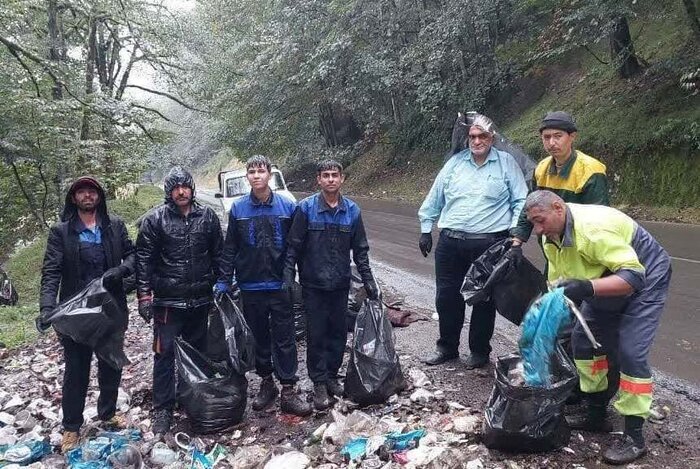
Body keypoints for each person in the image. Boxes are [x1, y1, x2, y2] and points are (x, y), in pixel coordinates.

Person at [524, 190, 671, 465]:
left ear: (558, 208)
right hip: (603, 276)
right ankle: (595, 414)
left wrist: (587, 287)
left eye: (540, 220)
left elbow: (633, 278)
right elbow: (560, 280)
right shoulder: (549, 236)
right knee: (583, 342)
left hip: (645, 277)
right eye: (532, 222)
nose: (537, 229)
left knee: (631, 352)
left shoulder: (591, 231)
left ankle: (634, 436)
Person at [418, 114, 528, 368]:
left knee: (483, 299)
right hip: (450, 242)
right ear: (467, 138)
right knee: (446, 297)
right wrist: (426, 229)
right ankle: (447, 347)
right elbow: (435, 196)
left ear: (492, 138)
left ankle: (479, 352)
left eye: (482, 136)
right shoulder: (455, 164)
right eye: (473, 137)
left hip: (489, 243)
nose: (477, 141)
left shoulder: (505, 164)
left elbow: (521, 200)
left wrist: (515, 235)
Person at [40, 176, 135, 453]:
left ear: (99, 196)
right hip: (75, 314)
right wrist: (47, 307)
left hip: (110, 309)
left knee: (111, 364)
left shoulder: (114, 226)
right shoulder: (62, 232)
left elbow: (132, 255)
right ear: (73, 198)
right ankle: (71, 427)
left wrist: (121, 271)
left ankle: (107, 413)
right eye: (81, 192)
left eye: (91, 191)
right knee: (76, 371)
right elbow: (51, 272)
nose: (87, 196)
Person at [215, 155, 311, 416]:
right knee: (258, 338)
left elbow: (296, 246)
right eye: (252, 172)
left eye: (261, 171)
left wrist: (298, 277)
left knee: (286, 337)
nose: (256, 176)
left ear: (269, 174)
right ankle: (266, 383)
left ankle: (289, 387)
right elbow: (230, 248)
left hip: (281, 284)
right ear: (247, 177)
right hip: (251, 284)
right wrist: (224, 280)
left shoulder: (287, 206)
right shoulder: (238, 209)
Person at [284, 160, 378, 410]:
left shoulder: (352, 211)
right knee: (316, 334)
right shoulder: (305, 209)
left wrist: (369, 280)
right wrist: (287, 276)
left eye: (334, 175)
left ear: (342, 179)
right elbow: (293, 246)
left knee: (337, 333)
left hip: (339, 283)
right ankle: (318, 383)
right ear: (318, 179)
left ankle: (332, 376)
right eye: (325, 175)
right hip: (313, 284)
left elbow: (360, 251)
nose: (330, 180)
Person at [136, 167, 224, 434]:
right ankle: (162, 409)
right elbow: (144, 261)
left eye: (185, 186)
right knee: (164, 355)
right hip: (167, 304)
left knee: (198, 355)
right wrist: (144, 295)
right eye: (175, 188)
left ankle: (192, 399)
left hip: (200, 300)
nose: (181, 191)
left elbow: (219, 253)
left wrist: (223, 283)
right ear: (168, 192)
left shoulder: (207, 217)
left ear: (192, 188)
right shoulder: (155, 220)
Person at [511, 110, 609, 246]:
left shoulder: (591, 170)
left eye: (558, 136)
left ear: (572, 136)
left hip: (581, 245)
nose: (551, 143)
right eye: (546, 137)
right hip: (550, 246)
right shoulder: (541, 168)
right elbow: (529, 205)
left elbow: (599, 218)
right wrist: (517, 240)